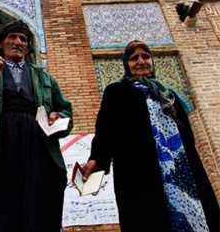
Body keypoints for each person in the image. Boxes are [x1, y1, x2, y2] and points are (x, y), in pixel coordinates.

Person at [83, 40, 219, 232]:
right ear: (126, 64)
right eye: (134, 58)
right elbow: (106, 129)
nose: (141, 61)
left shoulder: (168, 94)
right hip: (140, 170)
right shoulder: (117, 91)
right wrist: (97, 158)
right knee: (149, 218)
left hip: (180, 168)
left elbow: (187, 131)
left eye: (145, 56)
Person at [0, 20, 73, 232]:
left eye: (23, 39)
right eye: (12, 37)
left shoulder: (44, 77)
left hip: (37, 151)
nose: (18, 42)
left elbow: (66, 112)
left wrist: (58, 118)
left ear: (28, 47)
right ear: (1, 44)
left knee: (36, 213)